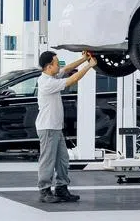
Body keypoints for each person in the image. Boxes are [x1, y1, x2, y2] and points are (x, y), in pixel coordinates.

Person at [36, 50, 97, 203]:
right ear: (49, 66)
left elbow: (68, 69)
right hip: (48, 127)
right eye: (57, 63)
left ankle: (61, 188)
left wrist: (83, 59)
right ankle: (44, 190)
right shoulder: (47, 83)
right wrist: (89, 66)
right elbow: (72, 79)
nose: (59, 65)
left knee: (63, 159)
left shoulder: (52, 76)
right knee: (48, 160)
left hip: (56, 127)